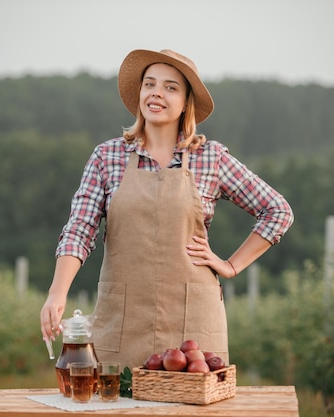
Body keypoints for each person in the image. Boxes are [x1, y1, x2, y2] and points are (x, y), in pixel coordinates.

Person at [40, 49, 294, 370]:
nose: (157, 93)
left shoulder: (211, 158)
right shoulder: (107, 156)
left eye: (171, 87)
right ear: (140, 94)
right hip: (122, 320)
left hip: (193, 327)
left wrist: (230, 265)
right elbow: (79, 230)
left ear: (186, 102)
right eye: (150, 84)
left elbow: (277, 211)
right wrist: (57, 293)